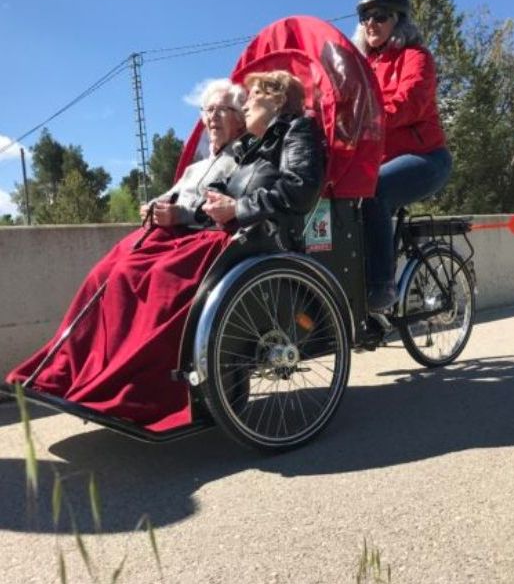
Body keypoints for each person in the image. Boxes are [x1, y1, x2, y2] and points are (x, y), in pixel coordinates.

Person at [6, 70, 323, 432]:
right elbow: (217, 193)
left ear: (277, 100)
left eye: (252, 97)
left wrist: (235, 208)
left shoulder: (298, 130)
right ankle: (81, 370)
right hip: (225, 230)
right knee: (120, 270)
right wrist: (206, 207)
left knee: (158, 278)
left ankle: (137, 389)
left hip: (258, 236)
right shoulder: (253, 144)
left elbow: (300, 189)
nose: (246, 101)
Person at [353, 0, 452, 311]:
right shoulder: (362, 67)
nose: (371, 23)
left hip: (427, 159)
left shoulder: (417, 57)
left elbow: (410, 102)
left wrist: (364, 120)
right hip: (377, 162)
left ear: (399, 21)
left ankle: (381, 289)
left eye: (380, 16)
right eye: (365, 17)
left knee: (375, 190)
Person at [140, 78, 246, 228]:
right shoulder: (193, 169)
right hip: (171, 236)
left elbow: (231, 212)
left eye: (222, 109)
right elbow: (168, 196)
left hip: (205, 239)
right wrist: (152, 207)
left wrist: (181, 215)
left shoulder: (243, 163)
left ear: (240, 119)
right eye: (209, 110)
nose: (213, 115)